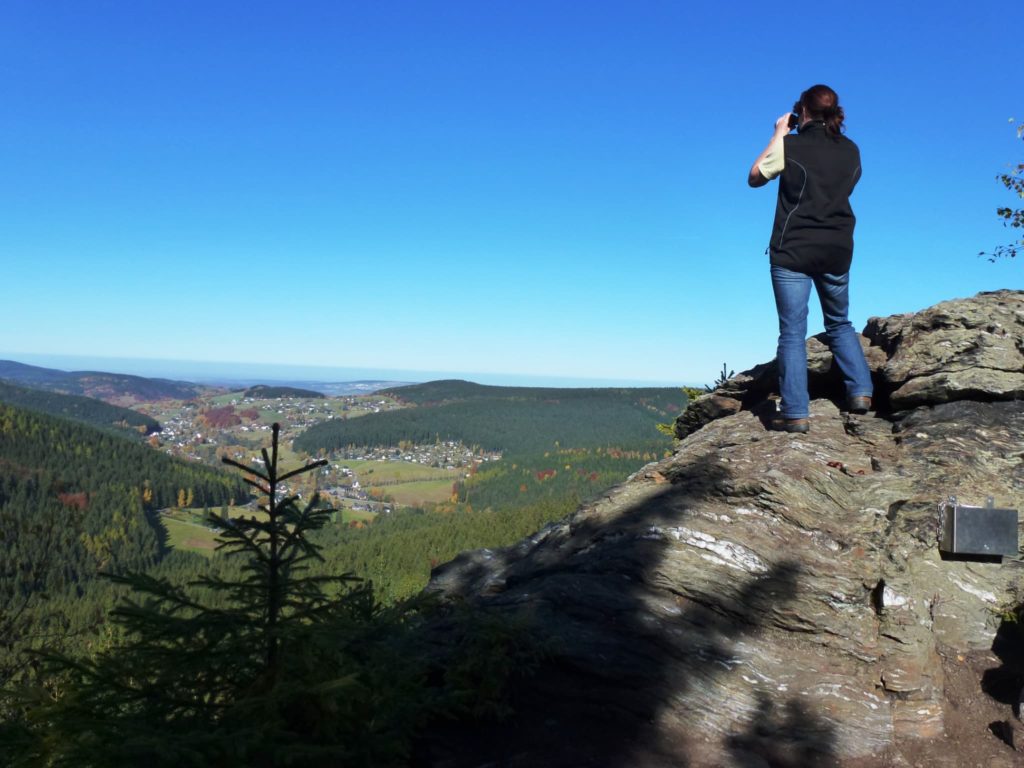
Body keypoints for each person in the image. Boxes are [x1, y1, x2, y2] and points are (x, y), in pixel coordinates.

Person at [748, 84, 873, 433]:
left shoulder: (790, 145)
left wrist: (778, 132)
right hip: (837, 248)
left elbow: (755, 177)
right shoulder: (852, 151)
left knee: (792, 332)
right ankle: (861, 392)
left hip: (793, 249)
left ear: (801, 111)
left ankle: (796, 413)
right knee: (839, 322)